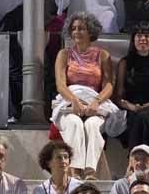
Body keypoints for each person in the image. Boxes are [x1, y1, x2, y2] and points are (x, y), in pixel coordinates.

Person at [51, 13, 120, 180]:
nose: (76, 32)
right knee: (74, 123)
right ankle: (75, 172)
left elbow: (109, 85)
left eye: (81, 28)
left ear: (90, 31)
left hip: (95, 101)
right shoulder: (64, 54)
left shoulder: (103, 55)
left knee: (92, 125)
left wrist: (96, 102)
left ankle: (90, 172)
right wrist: (74, 100)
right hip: (70, 100)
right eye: (73, 29)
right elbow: (60, 85)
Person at [113, 25, 149, 150]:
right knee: (138, 118)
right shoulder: (125, 63)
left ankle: (137, 160)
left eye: (147, 36)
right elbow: (118, 95)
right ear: (133, 41)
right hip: (130, 108)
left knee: (145, 117)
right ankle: (142, 160)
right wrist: (130, 106)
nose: (143, 39)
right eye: (139, 36)